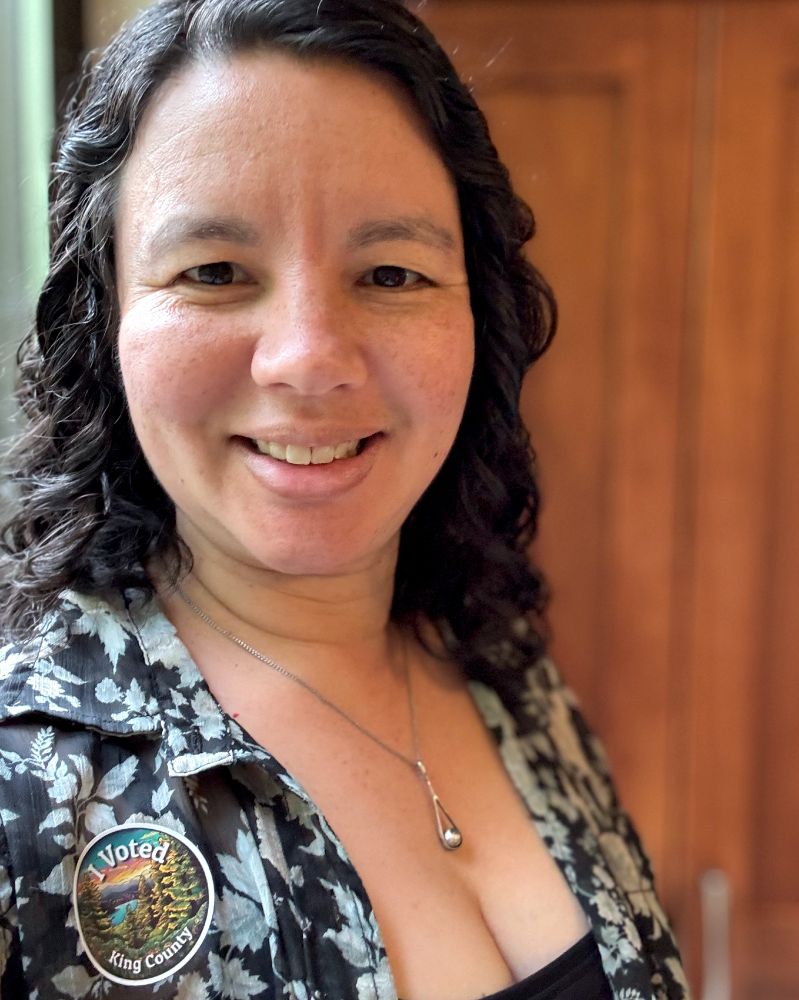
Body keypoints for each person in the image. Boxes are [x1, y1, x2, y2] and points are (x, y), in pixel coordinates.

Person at [0, 1, 689, 997]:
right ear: (104, 320)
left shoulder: (506, 672)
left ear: (476, 315)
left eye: (390, 272)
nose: (309, 358)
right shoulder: (33, 785)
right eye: (216, 271)